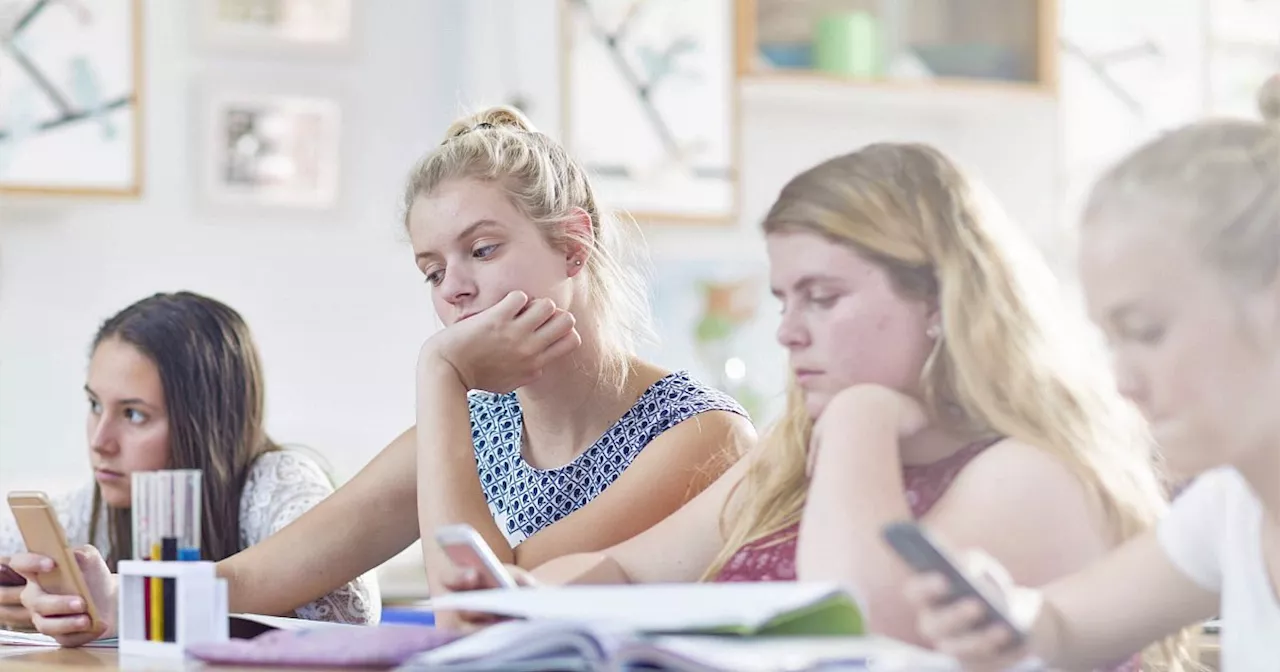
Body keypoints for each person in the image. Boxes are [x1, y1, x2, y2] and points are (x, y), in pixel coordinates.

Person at [12, 106, 754, 645]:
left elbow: (482, 609)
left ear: (571, 245)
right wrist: (117, 607)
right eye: (432, 269)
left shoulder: (700, 434)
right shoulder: (477, 425)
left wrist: (440, 373)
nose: (453, 290)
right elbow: (253, 580)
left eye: (483, 250)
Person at [442, 143, 1174, 668]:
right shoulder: (790, 452)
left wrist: (860, 419)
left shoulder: (1029, 474)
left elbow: (862, 630)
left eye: (822, 298)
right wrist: (521, 600)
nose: (789, 331)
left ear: (939, 301)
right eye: (784, 300)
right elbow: (627, 574)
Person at [901, 77, 1280, 672]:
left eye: (1148, 332)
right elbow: (1064, 626)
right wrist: (1005, 616)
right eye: (1111, 341)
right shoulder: (1235, 505)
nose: (1123, 382)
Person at [0, 292, 378, 632]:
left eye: (133, 414)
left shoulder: (275, 483)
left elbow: (353, 613)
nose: (100, 442)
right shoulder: (94, 506)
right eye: (95, 405)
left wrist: (130, 604)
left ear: (206, 423)